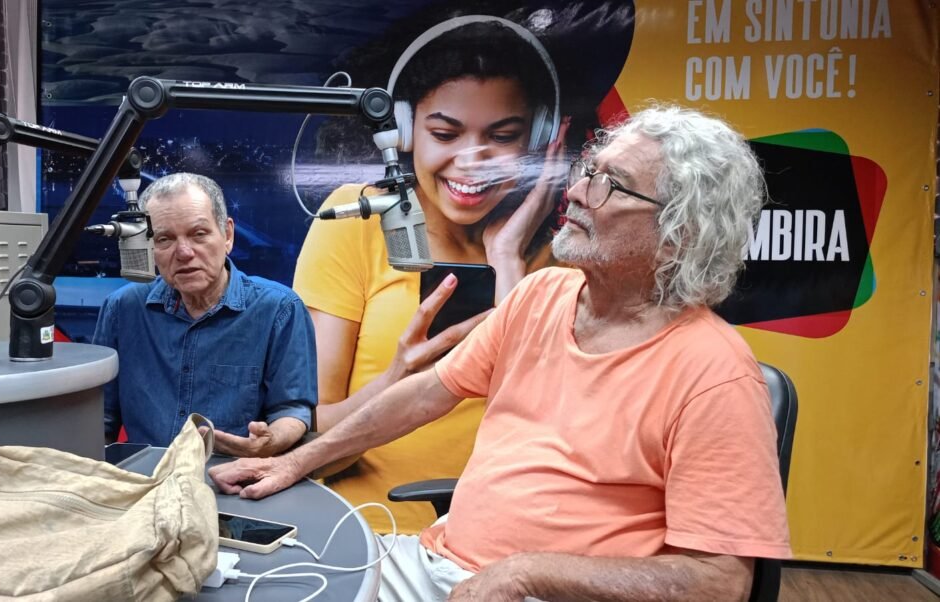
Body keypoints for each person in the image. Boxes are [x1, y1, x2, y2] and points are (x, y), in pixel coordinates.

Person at [212, 105, 791, 601]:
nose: (576, 192)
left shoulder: (714, 375)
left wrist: (524, 572)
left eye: (610, 185)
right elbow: (424, 394)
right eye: (588, 171)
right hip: (440, 567)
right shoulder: (541, 294)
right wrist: (298, 460)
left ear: (678, 234)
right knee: (264, 577)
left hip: (538, 593)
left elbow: (718, 583)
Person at [293, 16, 569, 534]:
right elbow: (309, 446)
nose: (472, 161)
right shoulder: (360, 219)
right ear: (403, 130)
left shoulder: (563, 256)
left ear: (541, 137)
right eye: (445, 133)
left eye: (503, 136)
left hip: (504, 543)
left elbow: (540, 436)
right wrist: (401, 377)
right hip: (369, 535)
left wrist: (506, 259)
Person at [94, 173, 317, 457]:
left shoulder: (279, 310)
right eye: (164, 239)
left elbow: (293, 409)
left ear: (228, 235)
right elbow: (101, 419)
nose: (184, 252)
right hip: (145, 480)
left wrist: (270, 441)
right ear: (150, 246)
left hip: (233, 480)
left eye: (199, 234)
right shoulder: (122, 309)